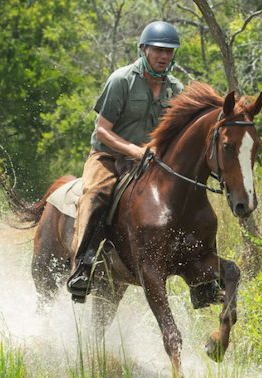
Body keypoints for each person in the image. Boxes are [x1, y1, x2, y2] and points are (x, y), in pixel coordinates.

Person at [67, 21, 184, 300]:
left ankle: (199, 273)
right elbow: (102, 130)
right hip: (108, 156)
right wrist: (134, 151)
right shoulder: (121, 80)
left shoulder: (176, 90)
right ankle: (81, 266)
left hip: (150, 163)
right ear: (143, 49)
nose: (163, 56)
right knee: (96, 194)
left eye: (169, 51)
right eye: (157, 49)